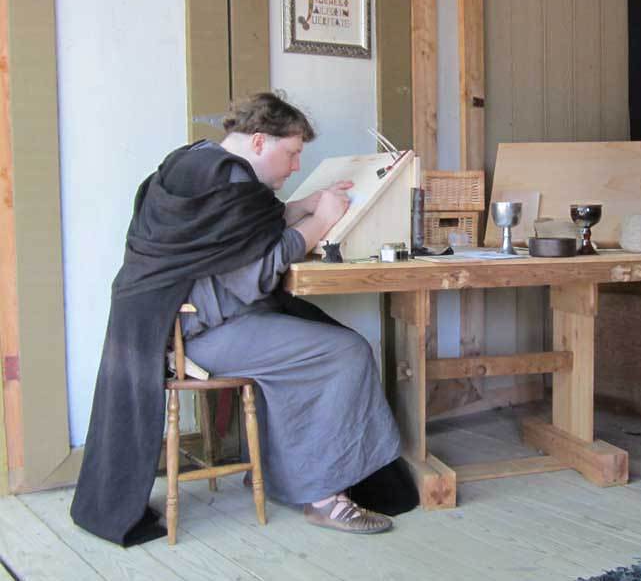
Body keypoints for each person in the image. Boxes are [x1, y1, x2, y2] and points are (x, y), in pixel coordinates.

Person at [71, 92, 413, 545]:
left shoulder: (196, 162)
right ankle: (325, 499)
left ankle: (284, 475)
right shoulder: (232, 186)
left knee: (317, 337)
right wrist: (320, 222)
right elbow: (258, 270)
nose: (295, 166)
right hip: (199, 333)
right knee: (344, 352)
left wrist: (303, 205)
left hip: (161, 326)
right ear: (258, 142)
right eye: (291, 153)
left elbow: (240, 232)